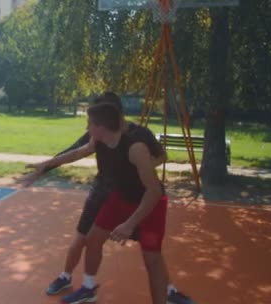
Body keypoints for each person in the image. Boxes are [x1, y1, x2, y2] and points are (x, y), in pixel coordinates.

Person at [20, 93, 192, 304]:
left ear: (102, 126)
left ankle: (167, 294)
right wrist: (45, 165)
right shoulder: (98, 140)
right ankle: (88, 288)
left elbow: (154, 191)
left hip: (150, 203)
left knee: (152, 259)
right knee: (92, 239)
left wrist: (130, 224)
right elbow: (76, 153)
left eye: (89, 124)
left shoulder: (136, 147)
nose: (86, 129)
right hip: (120, 197)